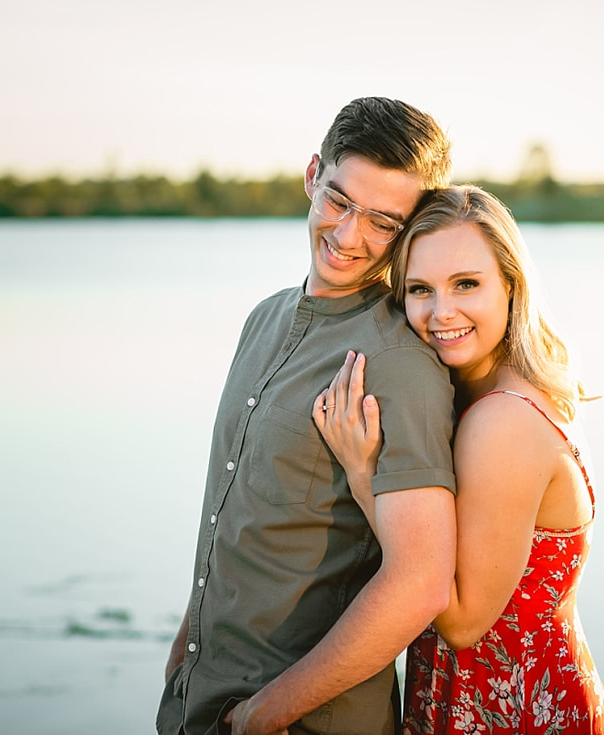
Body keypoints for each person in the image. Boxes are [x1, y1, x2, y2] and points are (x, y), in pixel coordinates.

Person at [155, 97, 459, 735]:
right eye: (340, 201)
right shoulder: (262, 318)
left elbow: (422, 581)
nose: (350, 237)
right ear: (312, 174)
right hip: (198, 701)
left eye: (383, 222)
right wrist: (186, 644)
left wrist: (267, 712)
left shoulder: (399, 361)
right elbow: (233, 507)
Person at [314, 186, 604, 733]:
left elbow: (460, 622)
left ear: (510, 284)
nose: (441, 312)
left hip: (512, 711)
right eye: (420, 289)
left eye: (466, 285)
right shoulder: (498, 394)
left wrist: (365, 474)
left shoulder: (502, 421)